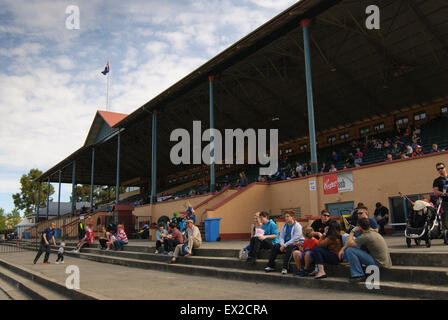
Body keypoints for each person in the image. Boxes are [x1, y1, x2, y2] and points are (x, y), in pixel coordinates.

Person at [339, 217, 392, 282]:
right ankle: (359, 271)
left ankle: (358, 275)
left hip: (378, 263)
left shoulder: (366, 236)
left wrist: (352, 231)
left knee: (350, 250)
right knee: (353, 248)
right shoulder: (372, 231)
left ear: (359, 227)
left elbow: (349, 242)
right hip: (385, 262)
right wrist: (342, 249)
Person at [433, 162, 448, 232]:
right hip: (444, 202)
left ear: (445, 168)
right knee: (445, 219)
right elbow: (436, 191)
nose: (440, 170)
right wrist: (444, 194)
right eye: (438, 169)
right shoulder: (437, 180)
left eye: (441, 168)